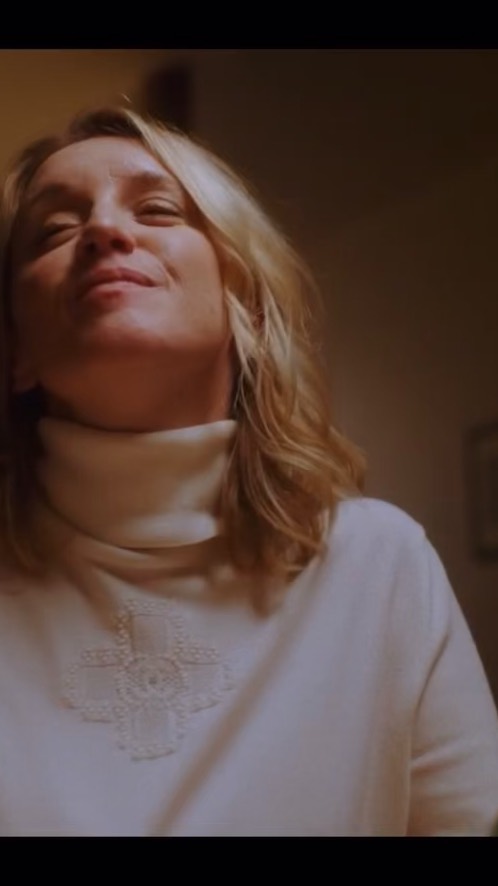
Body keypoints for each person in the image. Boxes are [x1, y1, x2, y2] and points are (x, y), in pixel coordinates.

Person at [0, 105, 497, 838]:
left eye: (158, 210)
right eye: (54, 229)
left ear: (244, 307)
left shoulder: (380, 566)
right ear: (15, 351)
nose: (104, 230)